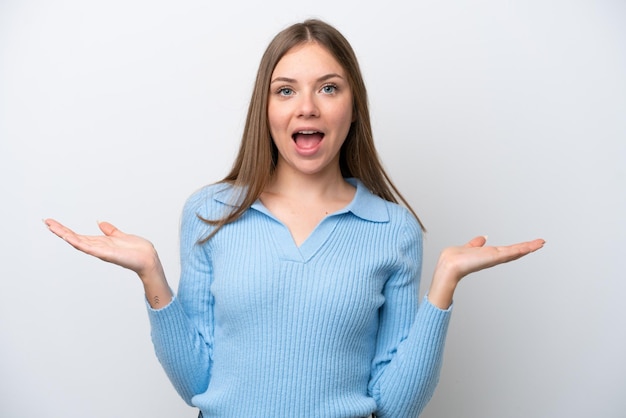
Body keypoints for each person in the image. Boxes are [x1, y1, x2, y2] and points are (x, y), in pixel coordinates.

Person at [45, 19, 544, 418]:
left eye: (328, 88)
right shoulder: (208, 213)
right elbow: (197, 385)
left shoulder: (394, 231)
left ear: (353, 108)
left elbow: (395, 406)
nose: (306, 107)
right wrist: (151, 275)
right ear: (265, 108)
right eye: (285, 91)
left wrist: (443, 288)